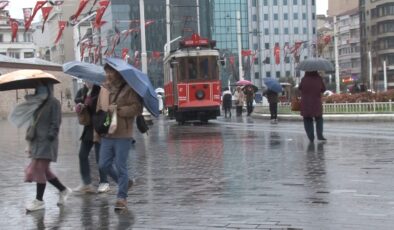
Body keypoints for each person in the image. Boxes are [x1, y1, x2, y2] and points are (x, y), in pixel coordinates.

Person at [8, 83, 71, 212]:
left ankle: (39, 200)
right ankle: (63, 190)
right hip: (37, 141)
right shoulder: (37, 102)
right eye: (37, 87)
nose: (39, 90)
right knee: (45, 171)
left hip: (48, 142)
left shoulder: (54, 102)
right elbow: (33, 122)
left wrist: (50, 136)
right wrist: (30, 141)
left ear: (48, 87)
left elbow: (56, 122)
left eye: (42, 87)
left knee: (39, 170)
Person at [96, 64, 143, 211]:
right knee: (103, 165)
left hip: (123, 133)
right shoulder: (104, 88)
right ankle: (125, 183)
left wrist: (119, 109)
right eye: (107, 71)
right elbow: (99, 109)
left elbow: (137, 108)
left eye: (111, 71)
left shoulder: (129, 88)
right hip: (107, 133)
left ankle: (122, 198)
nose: (108, 74)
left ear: (118, 73)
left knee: (121, 165)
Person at [74, 81, 111, 193]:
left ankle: (104, 182)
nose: (86, 82)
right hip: (89, 128)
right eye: (85, 80)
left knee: (100, 157)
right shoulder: (85, 91)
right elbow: (78, 100)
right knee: (82, 155)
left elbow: (103, 108)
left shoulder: (100, 91)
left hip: (99, 127)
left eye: (88, 80)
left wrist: (88, 103)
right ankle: (86, 183)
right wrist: (82, 104)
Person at [298, 71, 327, 143]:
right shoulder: (318, 79)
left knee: (307, 119)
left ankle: (311, 137)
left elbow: (300, 88)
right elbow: (323, 89)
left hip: (306, 103)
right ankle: (320, 135)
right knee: (319, 118)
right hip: (316, 102)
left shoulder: (304, 79)